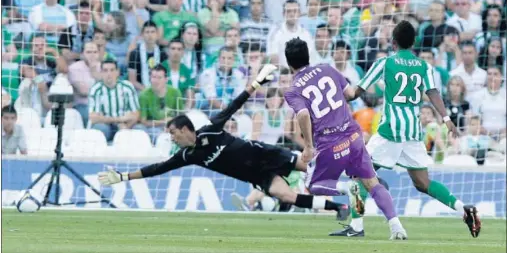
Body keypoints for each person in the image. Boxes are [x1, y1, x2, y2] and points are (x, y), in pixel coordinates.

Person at [98, 64, 350, 220]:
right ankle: (338, 208)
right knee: (285, 195)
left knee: (313, 169)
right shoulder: (188, 156)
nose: (172, 138)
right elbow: (157, 169)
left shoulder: (211, 130)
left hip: (265, 155)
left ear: (186, 129)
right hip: (256, 174)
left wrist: (257, 83)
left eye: (173, 133)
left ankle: (353, 180)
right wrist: (123, 177)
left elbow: (234, 105)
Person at [346, 20, 481, 238]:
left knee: (357, 173)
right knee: (422, 183)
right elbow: (434, 93)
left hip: (390, 130)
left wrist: (337, 97)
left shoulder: (385, 63)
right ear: (414, 42)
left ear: (393, 42)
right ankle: (464, 210)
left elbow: (356, 92)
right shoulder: (423, 66)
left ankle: (357, 226)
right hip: (413, 131)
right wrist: (446, 118)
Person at [283, 37, 407, 240]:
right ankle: (394, 227)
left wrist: (308, 146)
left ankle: (348, 189)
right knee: (372, 183)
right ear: (308, 56)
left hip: (330, 142)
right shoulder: (327, 69)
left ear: (289, 63)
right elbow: (350, 93)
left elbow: (303, 114)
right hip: (354, 135)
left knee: (314, 184)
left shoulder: (293, 90)